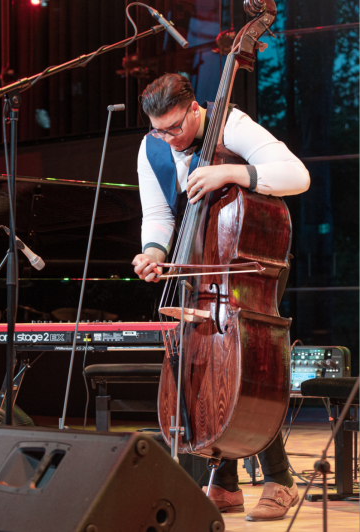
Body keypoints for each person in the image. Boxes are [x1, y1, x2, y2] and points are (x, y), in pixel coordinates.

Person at [131, 74, 310, 522]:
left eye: (174, 127)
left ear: (194, 109)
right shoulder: (152, 145)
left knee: (245, 369)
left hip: (249, 258)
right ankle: (225, 483)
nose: (167, 138)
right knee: (212, 368)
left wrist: (232, 172)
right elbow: (157, 215)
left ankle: (281, 480)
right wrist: (151, 253)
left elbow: (297, 175)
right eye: (158, 129)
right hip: (200, 265)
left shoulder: (232, 124)